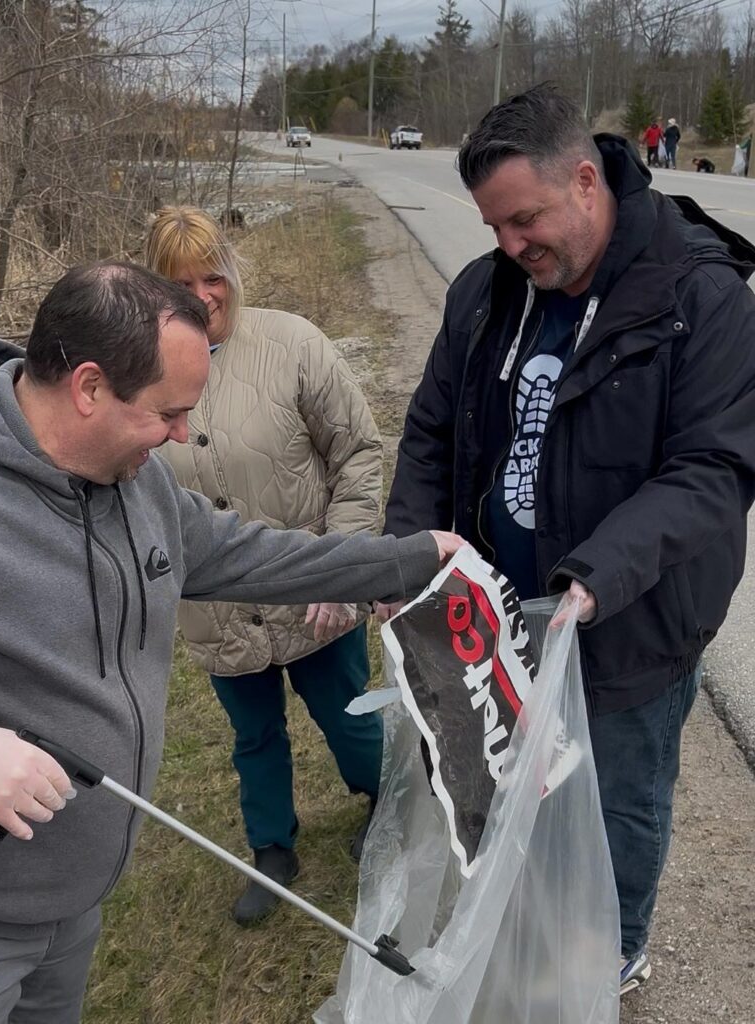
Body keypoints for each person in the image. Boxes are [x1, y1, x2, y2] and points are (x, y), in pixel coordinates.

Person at [0, 260, 464, 1023]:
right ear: (92, 388)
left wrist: (406, 558)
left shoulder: (138, 484)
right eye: (168, 412)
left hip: (72, 906)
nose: (183, 433)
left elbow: (254, 554)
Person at [380, 86, 755, 996]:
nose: (512, 245)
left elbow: (713, 468)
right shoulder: (486, 292)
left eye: (526, 220)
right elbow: (431, 430)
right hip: (498, 618)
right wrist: (406, 552)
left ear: (586, 181)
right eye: (496, 226)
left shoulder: (699, 297)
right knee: (513, 781)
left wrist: (590, 580)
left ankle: (610, 948)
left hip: (626, 620)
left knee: (616, 799)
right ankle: (530, 910)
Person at [143, 206, 384, 925]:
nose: (202, 295)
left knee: (348, 716)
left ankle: (389, 802)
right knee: (254, 737)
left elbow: (361, 455)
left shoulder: (293, 344)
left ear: (233, 274)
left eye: (213, 276)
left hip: (315, 592)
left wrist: (342, 569)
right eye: (180, 282)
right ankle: (272, 848)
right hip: (216, 613)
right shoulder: (137, 373)